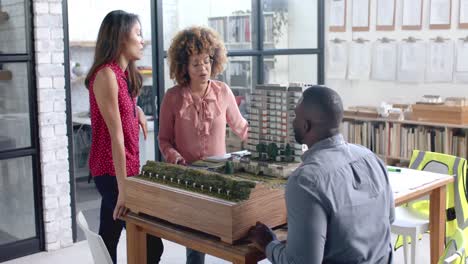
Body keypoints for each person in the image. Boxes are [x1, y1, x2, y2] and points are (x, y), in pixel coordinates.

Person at [249, 86, 394, 264]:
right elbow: (389, 219)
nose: (292, 122)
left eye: (295, 117)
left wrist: (269, 244)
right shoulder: (371, 158)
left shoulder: (305, 181)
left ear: (305, 125)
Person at [158, 26, 249, 264]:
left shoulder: (223, 92)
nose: (203, 68)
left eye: (207, 61)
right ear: (184, 67)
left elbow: (242, 128)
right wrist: (176, 159)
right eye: (196, 63)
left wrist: (264, 141)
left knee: (232, 235)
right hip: (190, 177)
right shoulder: (173, 97)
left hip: (221, 176)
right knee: (196, 243)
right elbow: (164, 140)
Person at [85, 10, 163, 263]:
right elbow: (115, 136)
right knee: (152, 246)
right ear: (120, 37)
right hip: (112, 172)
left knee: (108, 238)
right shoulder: (106, 74)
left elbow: (119, 110)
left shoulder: (121, 74)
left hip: (122, 170)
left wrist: (136, 110)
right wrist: (125, 189)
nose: (142, 40)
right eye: (138, 34)